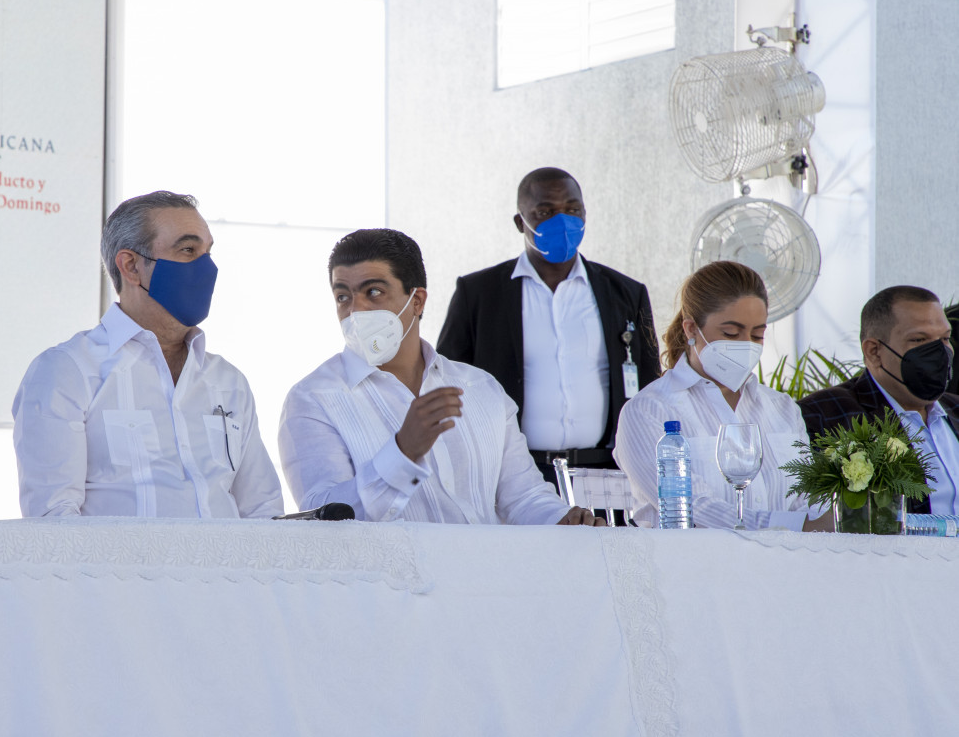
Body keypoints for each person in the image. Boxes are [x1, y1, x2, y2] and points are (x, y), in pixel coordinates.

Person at [279, 227, 602, 526]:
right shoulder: (313, 400)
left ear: (416, 301)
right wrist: (402, 453)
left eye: (373, 292)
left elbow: (523, 497)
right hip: (390, 574)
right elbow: (325, 518)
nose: (356, 311)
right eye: (343, 297)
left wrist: (563, 520)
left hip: (489, 570)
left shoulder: (480, 388)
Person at [12, 190, 283, 518]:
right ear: (131, 266)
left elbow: (263, 512)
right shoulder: (66, 371)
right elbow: (53, 518)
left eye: (208, 252)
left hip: (228, 555)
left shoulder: (228, 381)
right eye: (188, 250)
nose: (206, 267)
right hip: (118, 556)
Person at [437, 167, 660, 487]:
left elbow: (650, 385)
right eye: (545, 212)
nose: (562, 221)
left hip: (604, 474)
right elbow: (447, 380)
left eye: (573, 210)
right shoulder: (479, 294)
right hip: (512, 477)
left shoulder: (625, 293)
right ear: (520, 222)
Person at [613, 260, 829, 530]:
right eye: (731, 333)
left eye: (757, 335)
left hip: (787, 555)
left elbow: (808, 497)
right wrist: (791, 526)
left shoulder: (782, 408)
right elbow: (693, 508)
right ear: (691, 329)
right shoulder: (648, 411)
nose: (746, 345)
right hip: (693, 557)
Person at [800, 286, 959, 516]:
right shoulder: (824, 414)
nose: (940, 352)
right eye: (919, 339)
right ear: (874, 351)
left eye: (944, 338)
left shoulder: (955, 408)